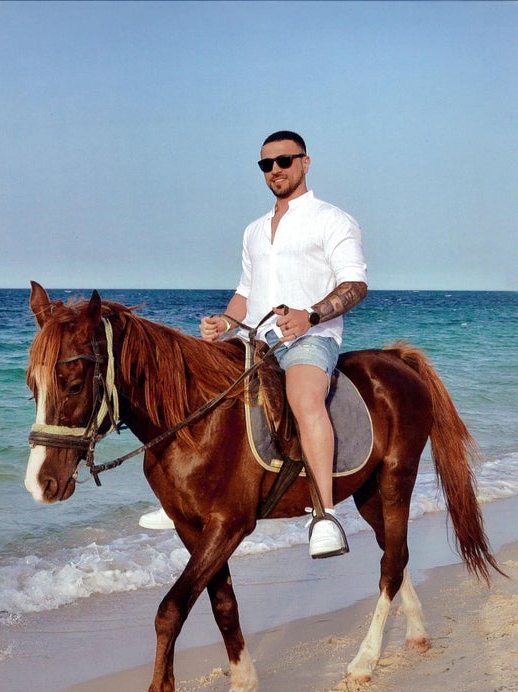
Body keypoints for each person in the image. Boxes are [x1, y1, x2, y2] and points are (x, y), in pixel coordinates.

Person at [140, 131, 367, 557]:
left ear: (305, 162)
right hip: (255, 341)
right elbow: (247, 291)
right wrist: (225, 322)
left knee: (303, 397)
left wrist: (309, 316)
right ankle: (183, 496)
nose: (275, 170)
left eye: (284, 161)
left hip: (310, 338)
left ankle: (325, 514)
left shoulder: (333, 220)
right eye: (266, 164)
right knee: (190, 385)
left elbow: (355, 285)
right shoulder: (255, 231)